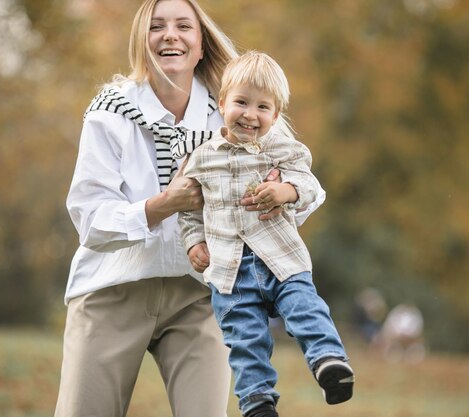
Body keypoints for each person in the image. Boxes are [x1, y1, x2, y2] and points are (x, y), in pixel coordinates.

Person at [54, 1, 325, 417]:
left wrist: (278, 193)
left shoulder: (239, 107)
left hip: (203, 295)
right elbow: (90, 220)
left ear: (201, 46)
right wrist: (163, 206)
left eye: (184, 26)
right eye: (156, 26)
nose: (170, 35)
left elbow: (300, 192)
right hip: (113, 288)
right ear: (141, 43)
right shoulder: (109, 113)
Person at [178, 51, 354, 417]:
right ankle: (257, 402)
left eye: (263, 107)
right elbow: (190, 209)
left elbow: (307, 183)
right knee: (245, 340)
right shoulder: (202, 157)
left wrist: (286, 190)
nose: (250, 115)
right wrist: (194, 241)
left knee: (305, 309)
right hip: (230, 272)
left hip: (280, 257)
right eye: (241, 102)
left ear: (275, 115)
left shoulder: (283, 150)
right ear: (223, 103)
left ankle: (329, 362)